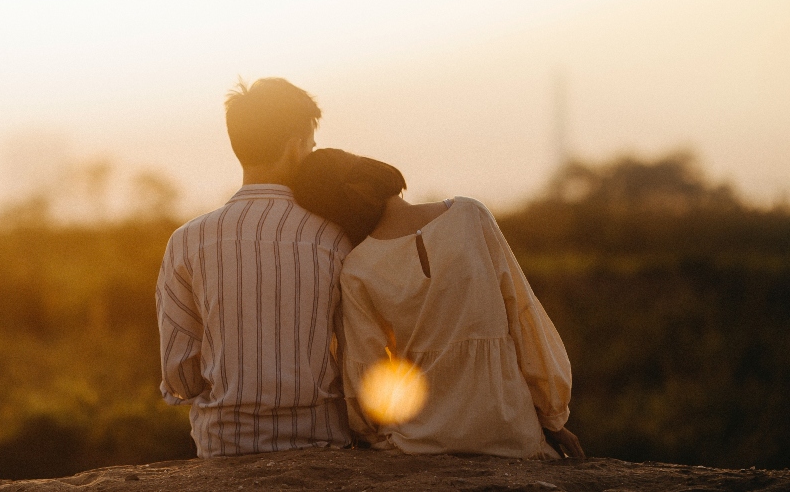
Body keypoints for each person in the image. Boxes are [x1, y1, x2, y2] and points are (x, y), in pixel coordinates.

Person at [290, 148, 584, 459]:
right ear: (373, 169)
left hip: (418, 442)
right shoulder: (471, 215)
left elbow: (366, 374)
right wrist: (552, 417)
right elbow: (523, 317)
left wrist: (371, 434)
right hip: (510, 432)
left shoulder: (357, 269)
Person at [156, 78, 353, 457]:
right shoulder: (334, 238)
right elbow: (356, 355)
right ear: (296, 147)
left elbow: (178, 373)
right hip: (322, 442)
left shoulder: (187, 240)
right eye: (311, 146)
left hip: (225, 445)